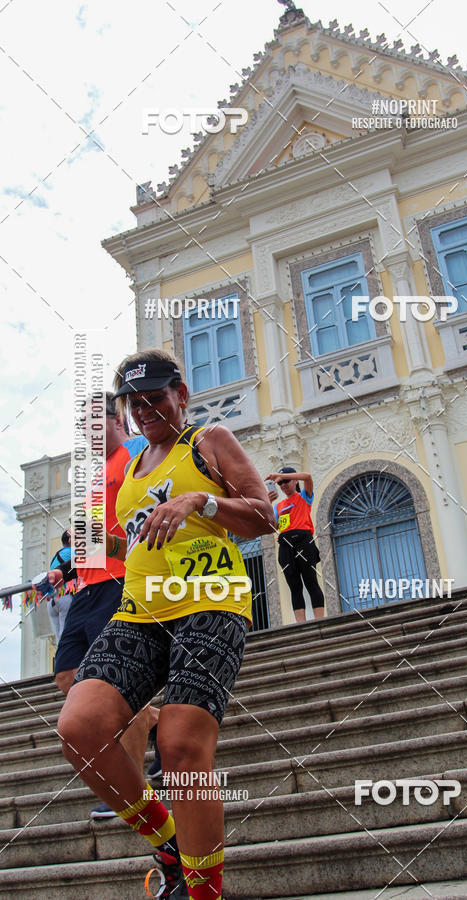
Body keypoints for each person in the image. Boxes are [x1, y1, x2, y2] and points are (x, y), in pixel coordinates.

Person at [57, 349, 275, 900]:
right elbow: (137, 539)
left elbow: (263, 515)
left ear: (181, 393)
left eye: (156, 396)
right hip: (141, 610)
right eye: (134, 401)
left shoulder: (209, 441)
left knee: (179, 746)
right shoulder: (131, 468)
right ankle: (168, 842)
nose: (145, 408)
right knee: (80, 727)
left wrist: (200, 500)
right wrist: (91, 544)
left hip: (210, 602)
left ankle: (203, 894)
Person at [48, 392, 153, 819]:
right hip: (86, 588)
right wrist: (68, 567)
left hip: (120, 580)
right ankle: (152, 717)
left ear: (116, 420)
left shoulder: (136, 451)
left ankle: (131, 789)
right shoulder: (94, 474)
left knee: (114, 685)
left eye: (94, 424)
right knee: (66, 675)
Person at [266, 466, 325, 623]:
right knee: (294, 586)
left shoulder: (304, 496)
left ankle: (320, 621)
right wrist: (268, 502)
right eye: (280, 483)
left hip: (303, 541)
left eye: (286, 481)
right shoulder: (279, 506)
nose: (283, 485)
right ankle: (301, 624)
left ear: (295, 481)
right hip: (285, 544)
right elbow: (273, 526)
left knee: (310, 581)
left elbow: (308, 475)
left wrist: (278, 475)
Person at [46, 530, 76, 642]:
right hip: (65, 598)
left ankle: (60, 659)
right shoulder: (73, 552)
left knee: (59, 641)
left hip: (52, 602)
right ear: (69, 539)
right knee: (67, 636)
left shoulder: (56, 556)